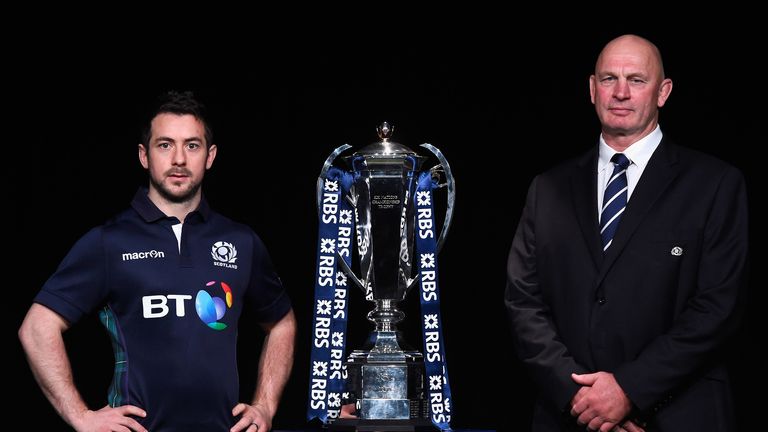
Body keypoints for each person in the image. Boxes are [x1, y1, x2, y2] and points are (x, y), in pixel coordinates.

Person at [504, 34, 748, 432]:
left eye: (636, 80)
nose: (620, 92)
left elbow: (717, 308)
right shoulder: (547, 188)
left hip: (679, 415)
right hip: (567, 416)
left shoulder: (715, 184)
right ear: (591, 89)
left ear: (663, 92)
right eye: (608, 79)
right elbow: (523, 302)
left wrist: (628, 390)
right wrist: (583, 400)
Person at [18, 90, 296, 432]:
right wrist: (80, 415)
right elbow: (37, 327)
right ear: (144, 156)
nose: (179, 159)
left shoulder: (241, 241)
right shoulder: (110, 241)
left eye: (192, 146)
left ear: (210, 156)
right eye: (165, 145)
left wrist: (265, 406)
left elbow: (281, 322)